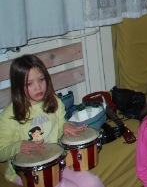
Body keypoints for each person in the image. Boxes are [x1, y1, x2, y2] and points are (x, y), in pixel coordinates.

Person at [0, 55, 104, 186]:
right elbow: (1, 151)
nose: (38, 87)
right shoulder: (9, 115)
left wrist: (66, 126)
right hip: (26, 173)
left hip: (56, 163)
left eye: (41, 79)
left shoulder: (55, 102)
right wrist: (19, 146)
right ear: (18, 86)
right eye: (29, 84)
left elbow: (60, 127)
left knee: (92, 182)